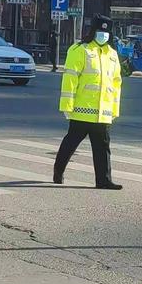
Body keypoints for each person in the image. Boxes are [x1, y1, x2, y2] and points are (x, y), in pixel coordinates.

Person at [53, 14, 123, 190]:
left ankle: (104, 180)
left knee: (103, 148)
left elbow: (116, 84)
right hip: (81, 111)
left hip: (102, 113)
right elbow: (70, 79)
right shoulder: (80, 50)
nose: (103, 35)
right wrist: (67, 106)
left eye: (106, 32)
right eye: (100, 31)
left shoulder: (112, 55)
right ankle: (58, 172)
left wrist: (114, 109)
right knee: (70, 144)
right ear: (93, 31)